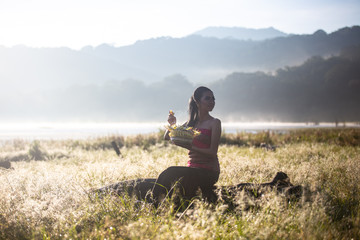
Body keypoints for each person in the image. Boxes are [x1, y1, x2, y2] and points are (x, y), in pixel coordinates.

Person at [152, 86, 221, 206]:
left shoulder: (215, 123)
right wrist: (172, 124)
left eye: (213, 99)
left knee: (170, 172)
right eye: (208, 98)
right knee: (170, 179)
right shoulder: (191, 123)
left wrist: (188, 146)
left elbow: (212, 152)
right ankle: (156, 204)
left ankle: (153, 204)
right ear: (197, 102)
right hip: (193, 169)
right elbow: (167, 137)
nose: (212, 102)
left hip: (209, 172)